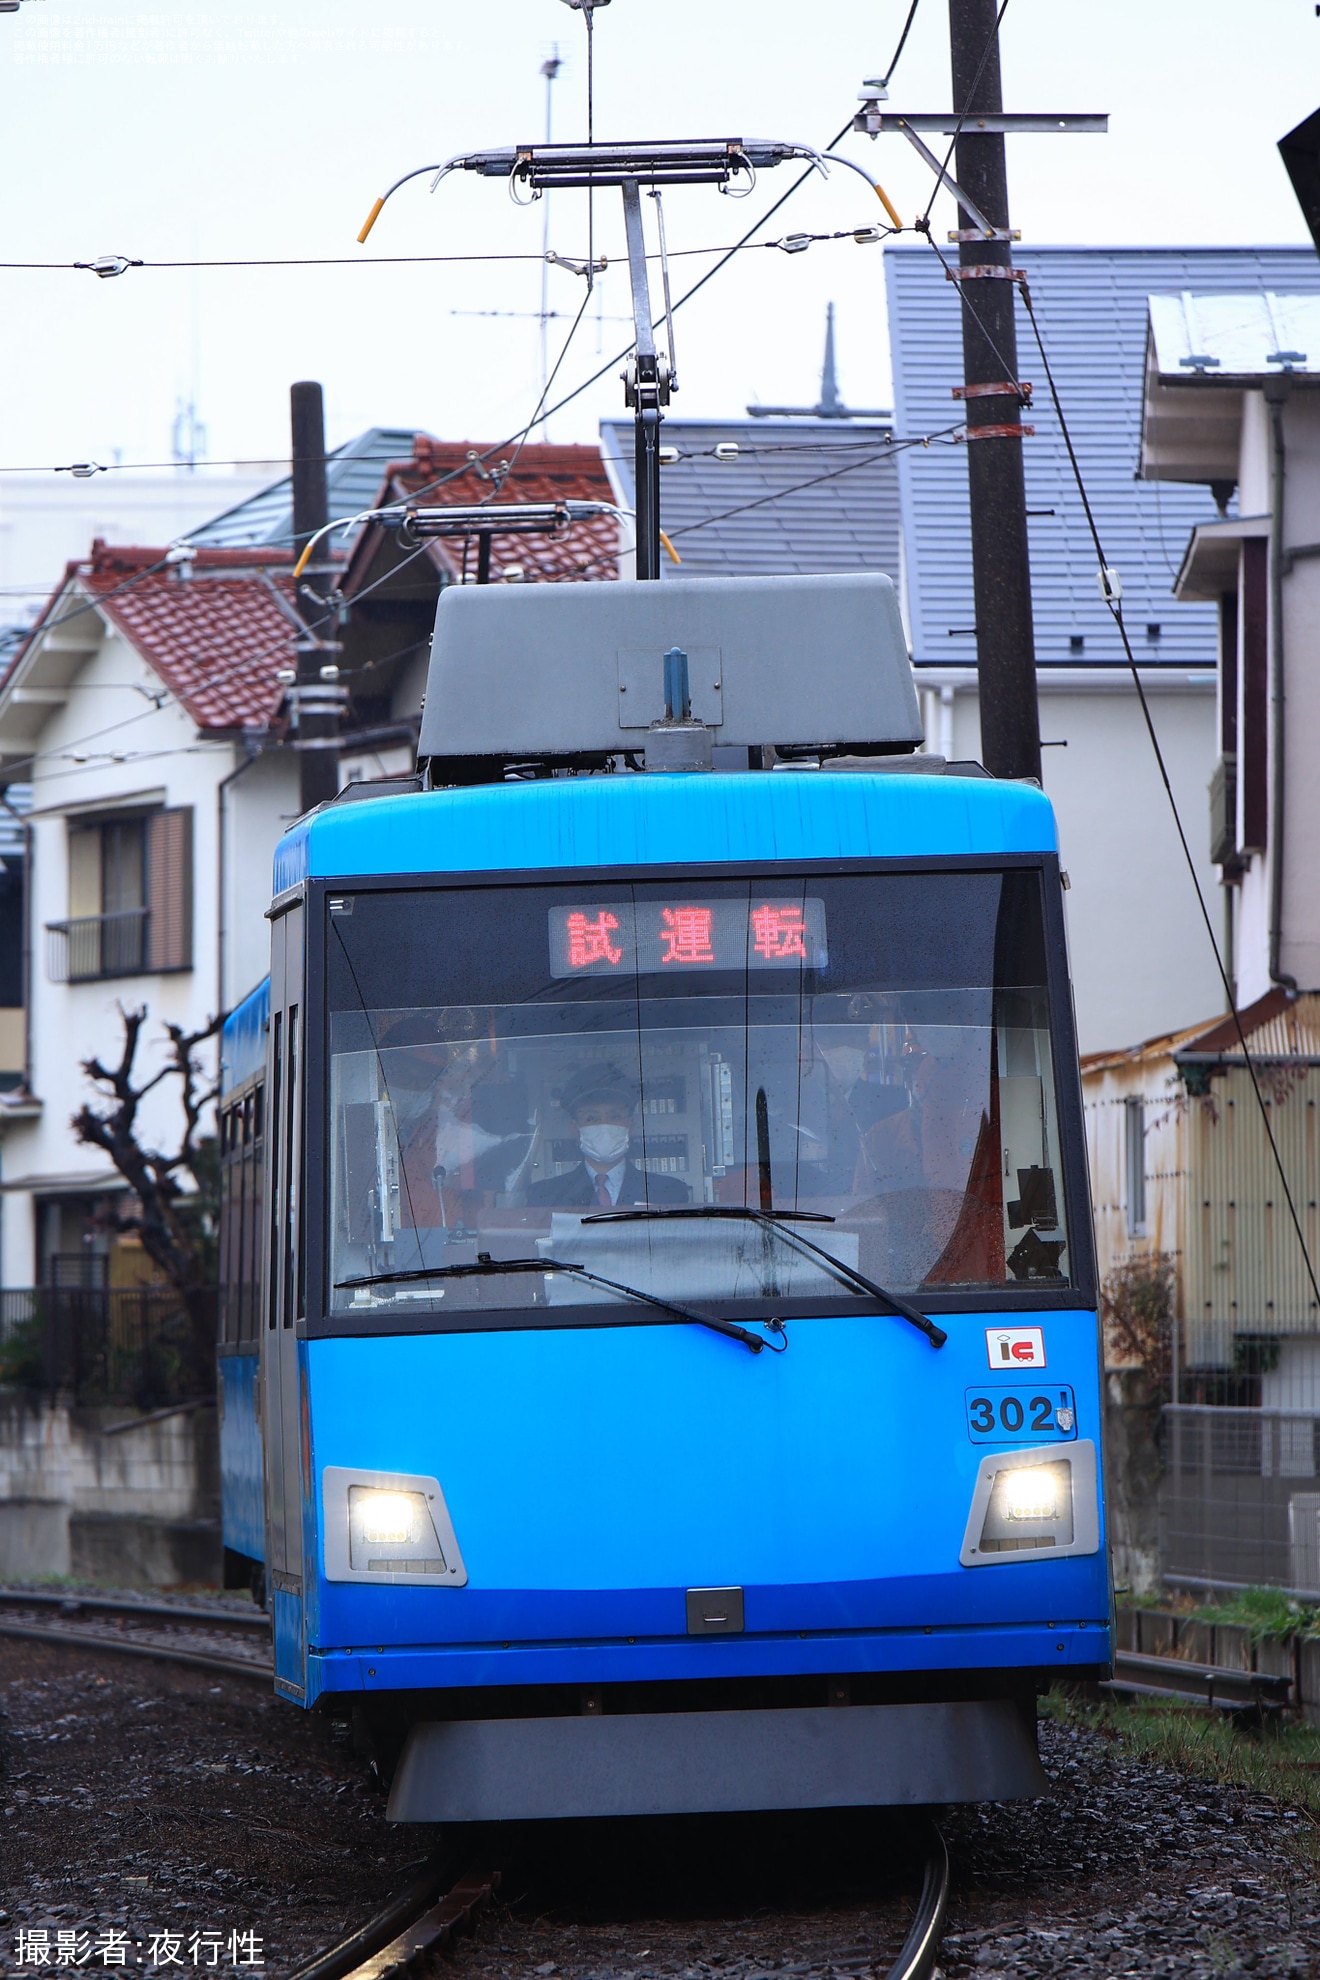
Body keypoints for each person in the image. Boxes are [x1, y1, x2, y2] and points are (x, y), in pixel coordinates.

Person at [527, 1062, 690, 1208]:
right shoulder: (544, 1197)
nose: (604, 1125)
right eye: (591, 1118)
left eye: (615, 1116)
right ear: (575, 1129)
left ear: (630, 1125)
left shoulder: (669, 1193)